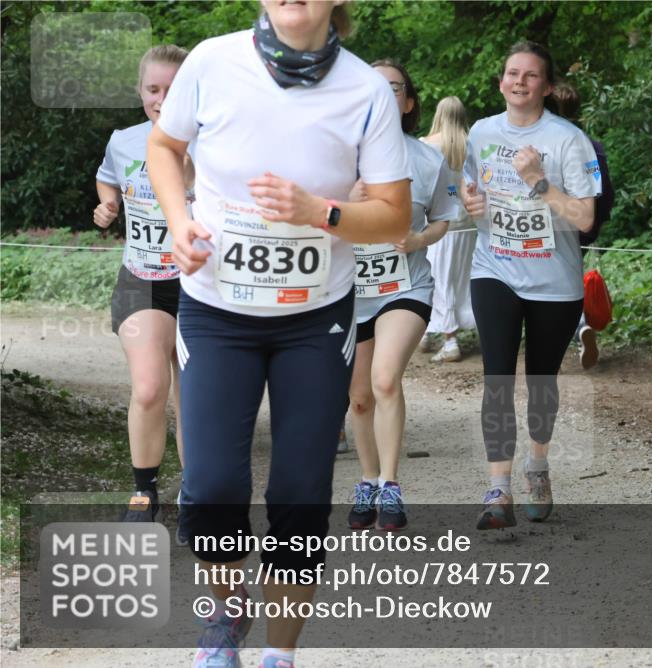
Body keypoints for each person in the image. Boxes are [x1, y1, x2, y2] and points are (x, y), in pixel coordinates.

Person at [147, 2, 410, 667]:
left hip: (314, 320)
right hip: (215, 310)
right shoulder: (211, 60)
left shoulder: (365, 89)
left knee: (299, 492)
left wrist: (317, 211)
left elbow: (393, 217)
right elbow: (165, 146)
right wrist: (179, 222)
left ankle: (279, 655)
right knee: (209, 486)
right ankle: (225, 620)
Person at [462, 42, 601, 530]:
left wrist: (539, 181)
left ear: (545, 85)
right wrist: (471, 201)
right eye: (511, 73)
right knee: (497, 379)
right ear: (501, 81)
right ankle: (498, 489)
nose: (519, 81)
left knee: (542, 382)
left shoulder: (569, 140)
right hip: (494, 268)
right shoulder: (480, 132)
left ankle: (537, 467)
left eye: (530, 75)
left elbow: (585, 218)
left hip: (553, 281)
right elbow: (469, 186)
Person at [347, 60, 457, 532]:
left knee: (385, 379)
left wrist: (419, 240)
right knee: (358, 398)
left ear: (408, 103)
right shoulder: (336, 155)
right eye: (373, 87)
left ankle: (391, 484)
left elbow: (443, 217)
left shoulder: (427, 158)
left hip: (405, 285)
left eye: (393, 88)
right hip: (349, 293)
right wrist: (343, 204)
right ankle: (368, 480)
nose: (382, 94)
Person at [94, 44, 189, 526]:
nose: (162, 97)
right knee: (151, 387)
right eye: (153, 88)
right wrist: (107, 205)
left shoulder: (215, 141)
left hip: (200, 284)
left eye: (173, 88)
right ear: (141, 92)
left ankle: (196, 491)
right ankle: (144, 491)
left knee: (192, 395)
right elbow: (106, 178)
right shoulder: (124, 141)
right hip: (142, 277)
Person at [550, 82, 616, 370]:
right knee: (569, 277)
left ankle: (575, 327)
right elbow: (604, 188)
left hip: (548, 224)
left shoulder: (546, 145)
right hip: (582, 226)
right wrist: (597, 223)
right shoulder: (591, 146)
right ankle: (578, 327)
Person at [420, 96, 477, 362]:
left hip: (437, 223)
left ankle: (448, 339)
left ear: (440, 114)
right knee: (459, 279)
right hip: (466, 223)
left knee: (437, 279)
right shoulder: (471, 144)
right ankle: (431, 332)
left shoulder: (426, 145)